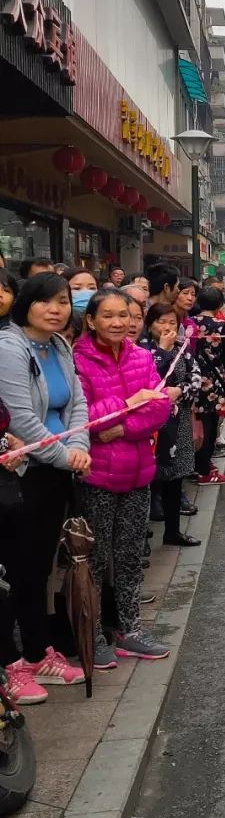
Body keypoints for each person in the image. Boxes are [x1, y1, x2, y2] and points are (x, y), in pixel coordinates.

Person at [0, 274, 91, 702]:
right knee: (18, 571)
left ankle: (39, 653)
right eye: (45, 302)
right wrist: (63, 455)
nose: (55, 310)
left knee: (38, 570)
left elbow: (78, 404)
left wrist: (79, 445)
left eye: (62, 302)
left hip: (57, 469)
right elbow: (19, 418)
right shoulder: (9, 347)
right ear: (26, 303)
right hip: (24, 473)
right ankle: (13, 665)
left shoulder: (59, 346)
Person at [74, 292, 172, 665]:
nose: (119, 323)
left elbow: (159, 409)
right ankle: (95, 635)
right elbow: (86, 421)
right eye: (109, 316)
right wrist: (128, 406)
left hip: (138, 471)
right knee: (95, 560)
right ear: (91, 320)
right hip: (97, 475)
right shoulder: (78, 361)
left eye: (126, 315)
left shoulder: (142, 356)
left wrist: (121, 427)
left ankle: (131, 630)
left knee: (131, 556)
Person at [140, 303, 201, 548]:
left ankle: (173, 532)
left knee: (175, 479)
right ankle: (141, 537)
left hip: (179, 421)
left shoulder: (183, 349)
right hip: (151, 426)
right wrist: (163, 352)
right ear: (150, 324)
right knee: (148, 481)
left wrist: (179, 391)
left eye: (172, 323)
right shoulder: (140, 350)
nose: (167, 328)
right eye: (161, 322)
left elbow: (195, 378)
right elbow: (146, 381)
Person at [191, 287, 225, 486]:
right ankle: (204, 468)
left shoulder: (190, 323)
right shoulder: (220, 325)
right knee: (210, 424)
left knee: (197, 422)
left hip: (192, 379)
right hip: (212, 380)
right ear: (219, 305)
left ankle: (198, 464)